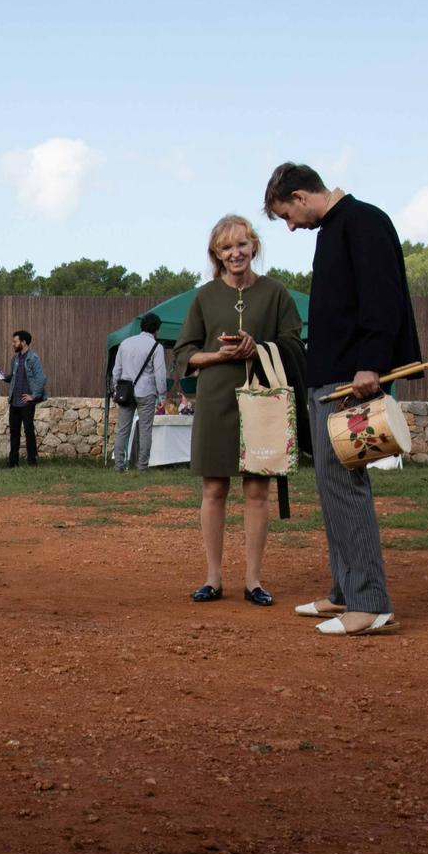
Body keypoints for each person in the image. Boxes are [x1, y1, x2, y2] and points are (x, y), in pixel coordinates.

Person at [264, 163, 421, 636]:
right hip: (329, 377)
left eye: (287, 215)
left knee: (345, 486)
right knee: (331, 486)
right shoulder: (333, 230)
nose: (291, 226)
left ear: (300, 194)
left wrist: (371, 363)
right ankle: (343, 592)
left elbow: (383, 298)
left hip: (354, 380)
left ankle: (371, 603)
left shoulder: (364, 221)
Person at [172, 214, 305, 606]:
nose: (236, 253)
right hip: (216, 398)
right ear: (216, 253)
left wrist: (258, 347)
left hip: (263, 398)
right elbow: (184, 352)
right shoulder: (205, 296)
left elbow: (295, 343)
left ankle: (253, 581)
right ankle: (213, 579)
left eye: (242, 244)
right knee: (214, 488)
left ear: (254, 246)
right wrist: (218, 354)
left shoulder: (276, 293)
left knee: (256, 489)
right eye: (227, 247)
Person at [110, 314, 169, 472]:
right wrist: (162, 396)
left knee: (123, 429)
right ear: (156, 330)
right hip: (146, 392)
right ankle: (142, 466)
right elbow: (160, 375)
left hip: (126, 391)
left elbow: (116, 371)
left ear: (141, 326)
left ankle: (119, 465)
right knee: (145, 430)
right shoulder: (157, 347)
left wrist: (116, 388)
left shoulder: (125, 343)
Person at [4, 330, 46, 467]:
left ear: (23, 342)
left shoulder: (33, 358)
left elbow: (41, 379)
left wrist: (33, 396)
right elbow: (14, 378)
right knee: (14, 432)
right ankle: (13, 463)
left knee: (28, 431)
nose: (13, 344)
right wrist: (3, 376)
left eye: (15, 342)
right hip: (14, 402)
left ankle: (32, 462)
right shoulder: (15, 359)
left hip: (26, 403)